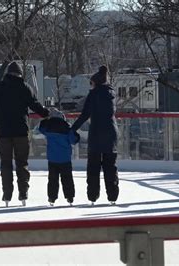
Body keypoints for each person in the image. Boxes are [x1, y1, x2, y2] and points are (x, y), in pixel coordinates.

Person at [0, 62, 50, 206]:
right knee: (22, 163)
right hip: (21, 131)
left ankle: (7, 194)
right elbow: (35, 105)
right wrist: (46, 113)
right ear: (20, 74)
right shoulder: (25, 87)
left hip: (3, 132)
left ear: (8, 73)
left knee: (6, 164)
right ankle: (23, 194)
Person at [71, 65, 119, 205]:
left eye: (91, 83)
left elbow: (85, 114)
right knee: (110, 167)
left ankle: (92, 197)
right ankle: (113, 197)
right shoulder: (112, 93)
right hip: (111, 134)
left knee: (93, 168)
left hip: (97, 134)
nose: (90, 86)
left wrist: (73, 128)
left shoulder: (94, 94)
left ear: (95, 83)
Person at [38, 108, 79, 206]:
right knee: (67, 179)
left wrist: (47, 119)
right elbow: (75, 139)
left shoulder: (48, 128)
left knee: (52, 179)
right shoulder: (67, 129)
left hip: (52, 159)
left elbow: (41, 127)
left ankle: (52, 197)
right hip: (65, 159)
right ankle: (70, 197)